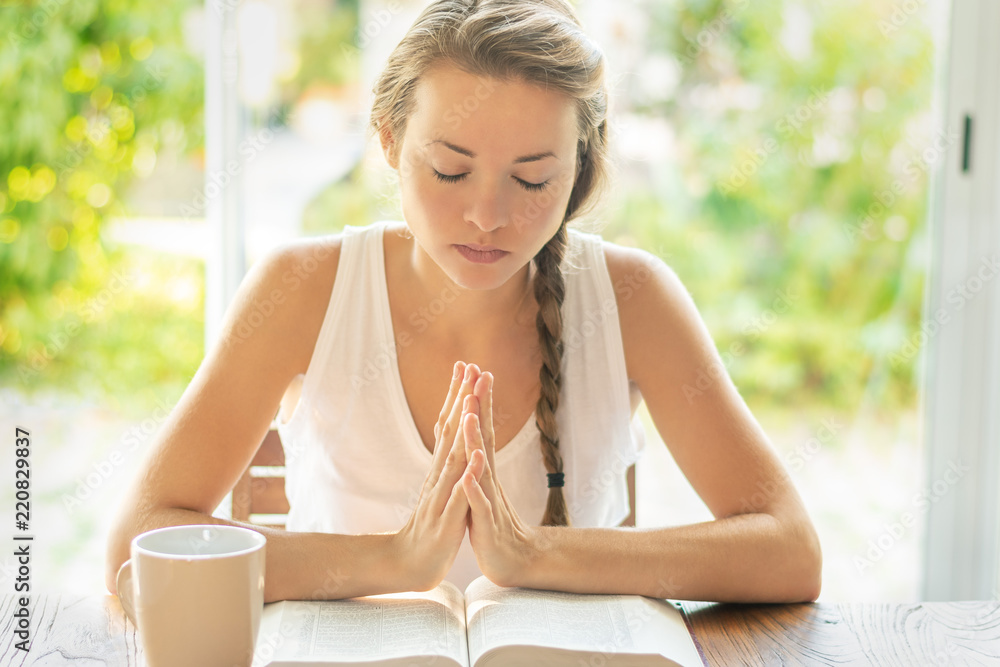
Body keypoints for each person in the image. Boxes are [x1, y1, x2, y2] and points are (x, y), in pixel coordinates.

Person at [106, 0, 821, 604]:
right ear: (390, 141)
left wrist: (536, 554)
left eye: (533, 180)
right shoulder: (301, 291)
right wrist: (394, 560)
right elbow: (134, 544)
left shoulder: (634, 301)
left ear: (579, 166)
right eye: (451, 170)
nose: (487, 216)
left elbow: (789, 548)